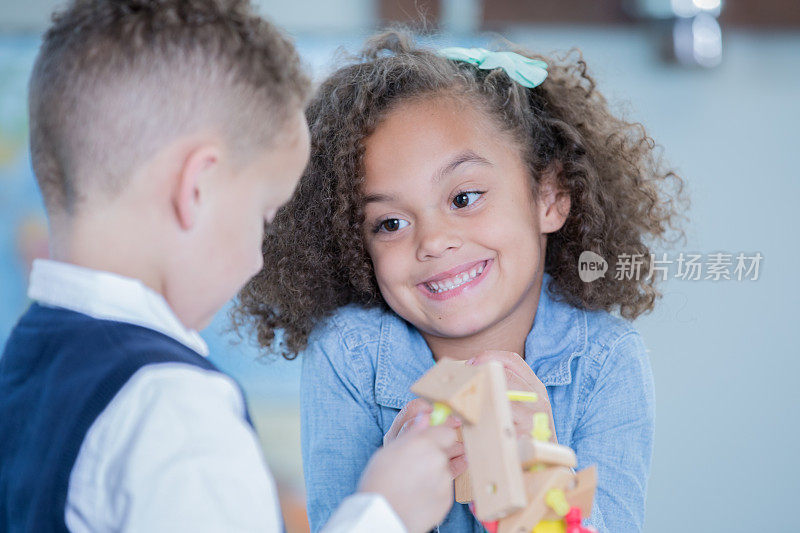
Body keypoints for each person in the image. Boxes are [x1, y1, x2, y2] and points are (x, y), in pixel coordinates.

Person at [0, 4, 458, 532]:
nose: (258, 258)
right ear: (197, 188)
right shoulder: (177, 413)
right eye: (263, 217)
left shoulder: (25, 357)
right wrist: (387, 513)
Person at [236, 31, 687, 532]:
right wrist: (394, 493)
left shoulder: (606, 359)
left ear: (550, 195)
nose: (433, 241)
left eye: (465, 198)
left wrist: (540, 478)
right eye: (390, 223)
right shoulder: (349, 355)